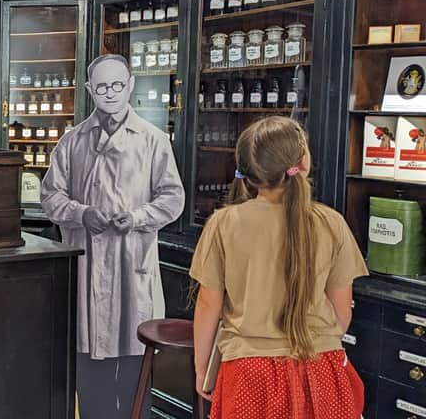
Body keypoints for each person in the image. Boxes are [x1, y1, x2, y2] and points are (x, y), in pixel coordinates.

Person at [190, 116, 368, 418]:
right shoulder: (331, 223)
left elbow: (208, 304)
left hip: (249, 372)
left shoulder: (223, 224)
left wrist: (201, 366)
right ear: (303, 161)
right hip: (321, 369)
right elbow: (341, 315)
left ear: (246, 171)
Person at [42, 54, 184, 419]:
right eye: (102, 86)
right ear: (90, 89)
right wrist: (82, 214)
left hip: (130, 264)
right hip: (86, 263)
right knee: (90, 373)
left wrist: (137, 217)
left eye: (117, 85)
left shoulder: (153, 140)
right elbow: (51, 196)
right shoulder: (72, 141)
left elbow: (173, 198)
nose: (110, 93)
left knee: (135, 374)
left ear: (131, 85)